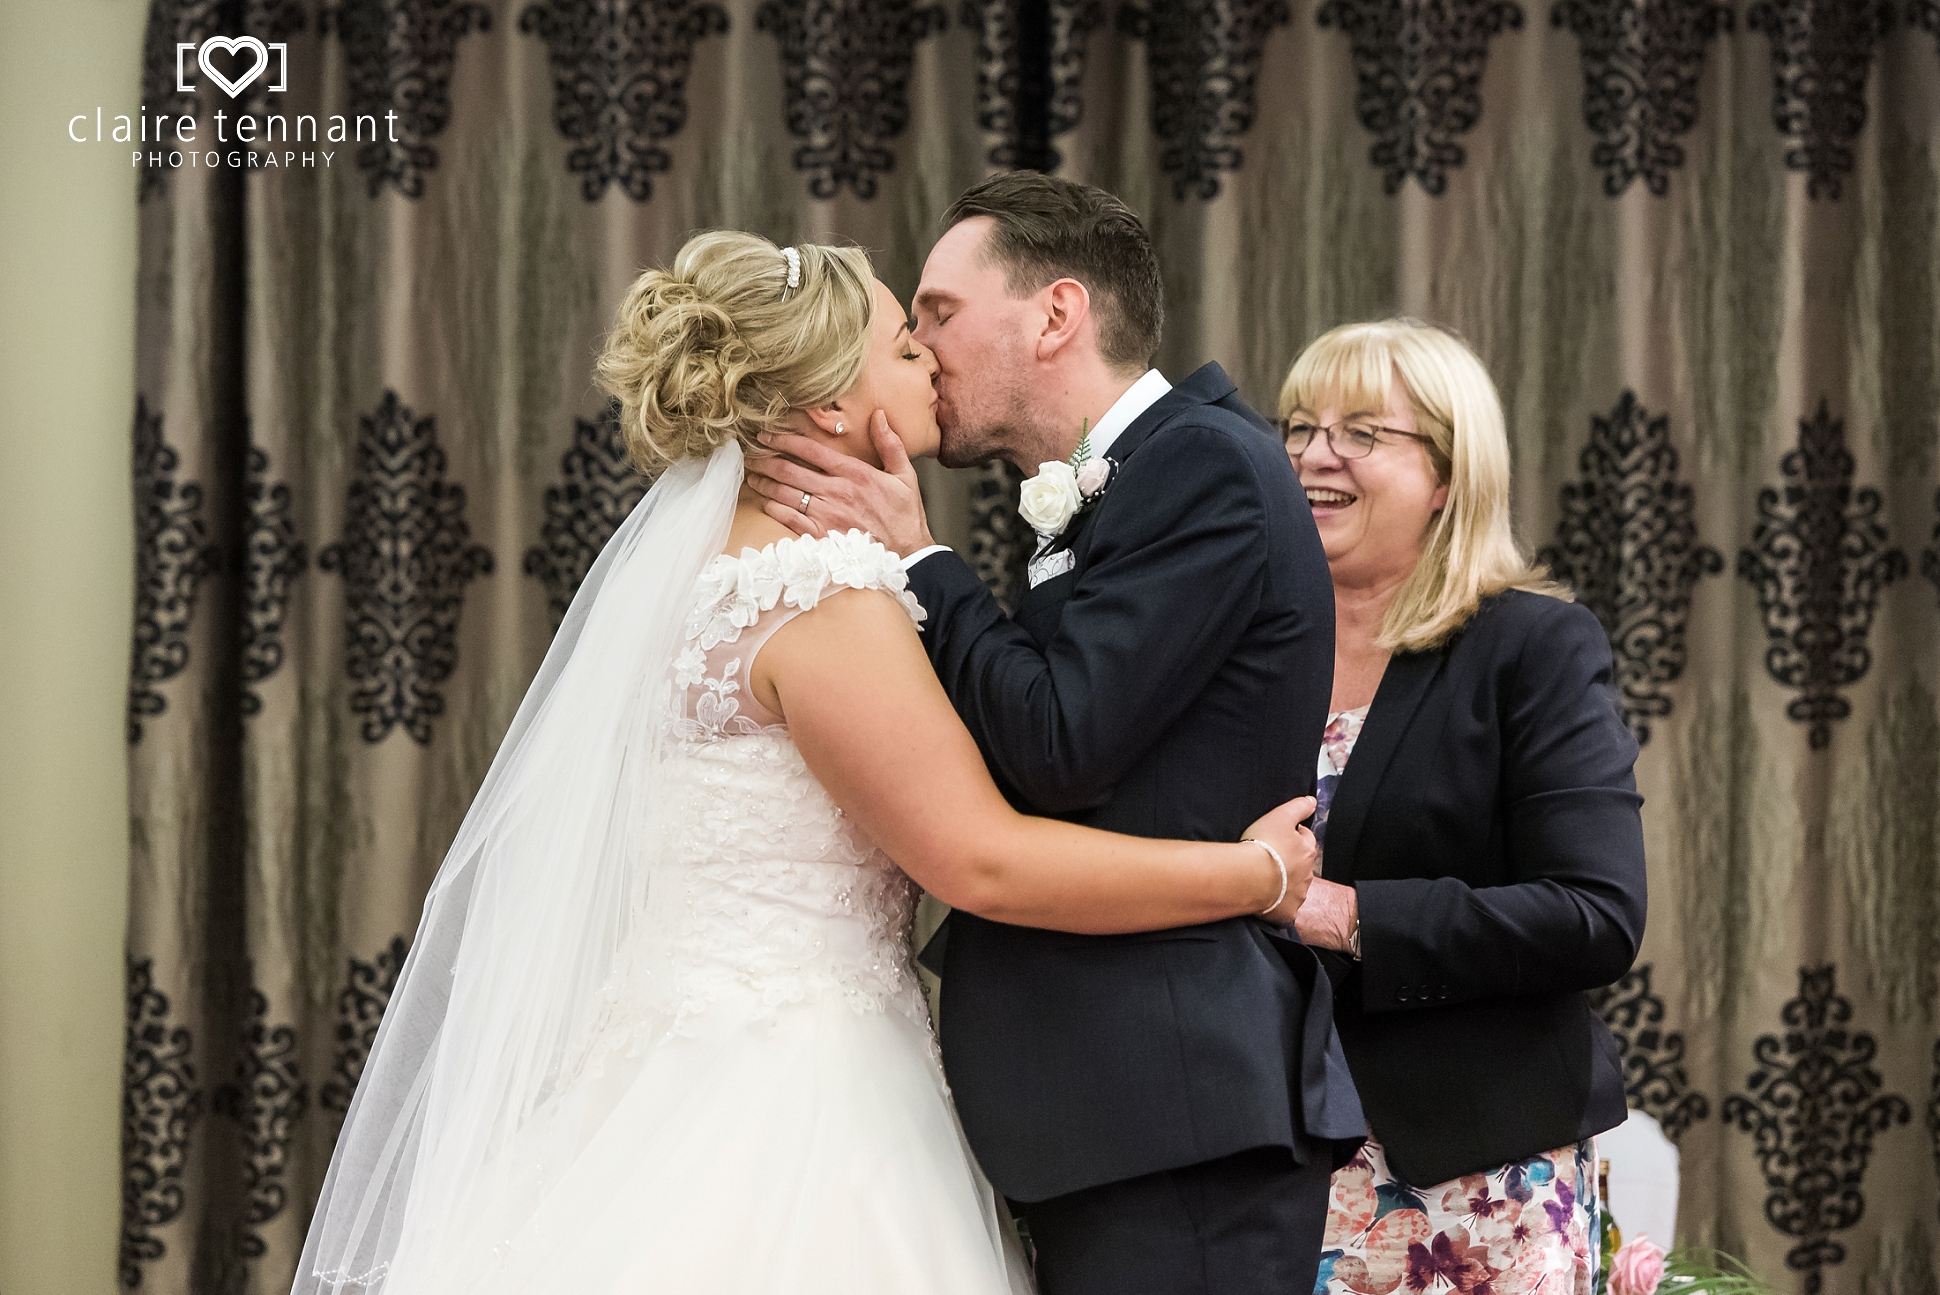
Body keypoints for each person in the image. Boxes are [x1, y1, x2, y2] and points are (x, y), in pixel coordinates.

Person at [293, 231, 1327, 1295]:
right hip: (796, 1093)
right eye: (903, 339)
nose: (930, 355)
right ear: (830, 402)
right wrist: (1255, 874)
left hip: (673, 1067)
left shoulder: (699, 581)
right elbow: (982, 861)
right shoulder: (819, 595)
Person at [746, 172, 1365, 1295]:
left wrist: (925, 563)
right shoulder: (1118, 481)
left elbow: (1059, 740)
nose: (924, 350)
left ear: (1055, 314)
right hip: (1105, 1108)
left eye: (937, 312)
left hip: (1173, 1105)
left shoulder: (1206, 463)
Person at [1272, 319, 1647, 1295]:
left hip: (1469, 1186)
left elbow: (1593, 913)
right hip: (1257, 1173)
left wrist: (1346, 913)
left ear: (1446, 473)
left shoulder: (1532, 647)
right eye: (1297, 426)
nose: (1315, 453)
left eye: (1359, 431)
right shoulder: (1246, 653)